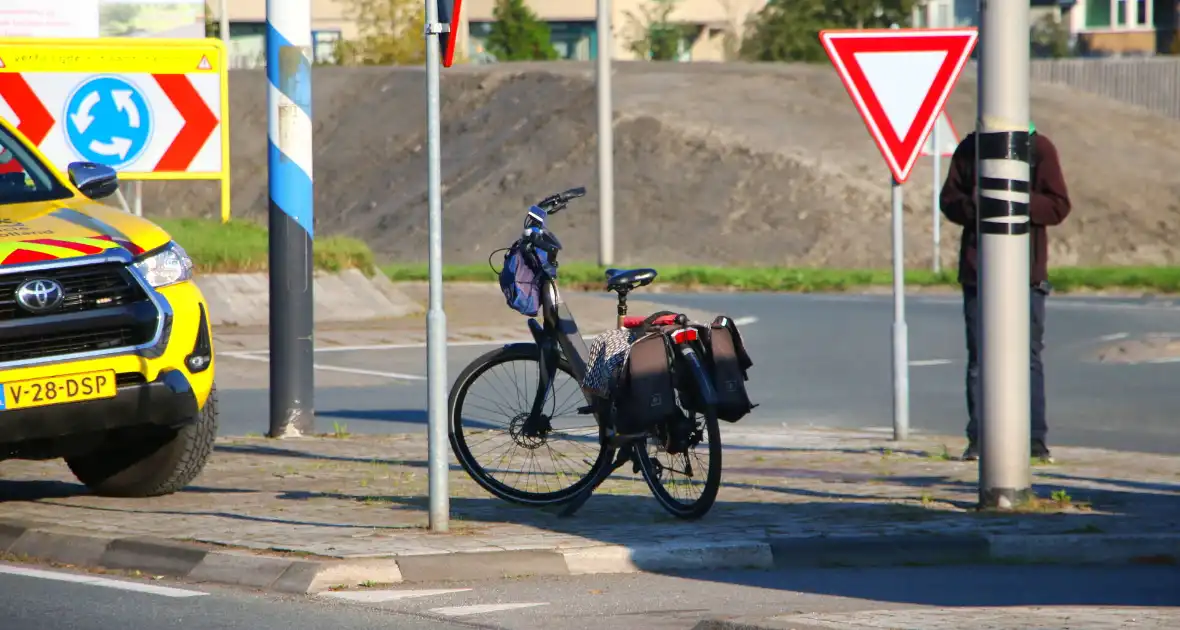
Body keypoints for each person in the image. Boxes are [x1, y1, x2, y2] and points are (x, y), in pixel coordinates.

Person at [939, 121, 1072, 463]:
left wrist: (1014, 201)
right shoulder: (970, 147)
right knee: (980, 358)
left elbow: (1058, 205)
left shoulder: (1039, 147)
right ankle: (980, 440)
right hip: (978, 272)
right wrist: (981, 204)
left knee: (1027, 358)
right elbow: (949, 200)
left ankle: (1034, 442)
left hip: (1025, 274)